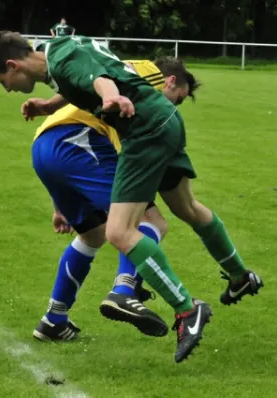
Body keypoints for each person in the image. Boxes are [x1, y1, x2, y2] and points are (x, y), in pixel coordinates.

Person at [0, 32, 263, 363]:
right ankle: (240, 276)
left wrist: (112, 98)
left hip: (143, 130)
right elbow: (89, 73)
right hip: (163, 121)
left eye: (3, 81)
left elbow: (100, 80)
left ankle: (187, 310)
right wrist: (50, 105)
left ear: (13, 65)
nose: (7, 88)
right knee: (187, 208)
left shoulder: (62, 60)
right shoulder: (59, 48)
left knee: (118, 231)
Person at [29, 58, 198, 343]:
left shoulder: (119, 68)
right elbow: (129, 154)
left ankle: (54, 319)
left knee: (93, 234)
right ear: (169, 81)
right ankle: (124, 292)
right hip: (80, 141)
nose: (173, 107)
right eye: (177, 100)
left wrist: (59, 203)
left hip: (45, 146)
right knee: (149, 221)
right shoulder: (147, 80)